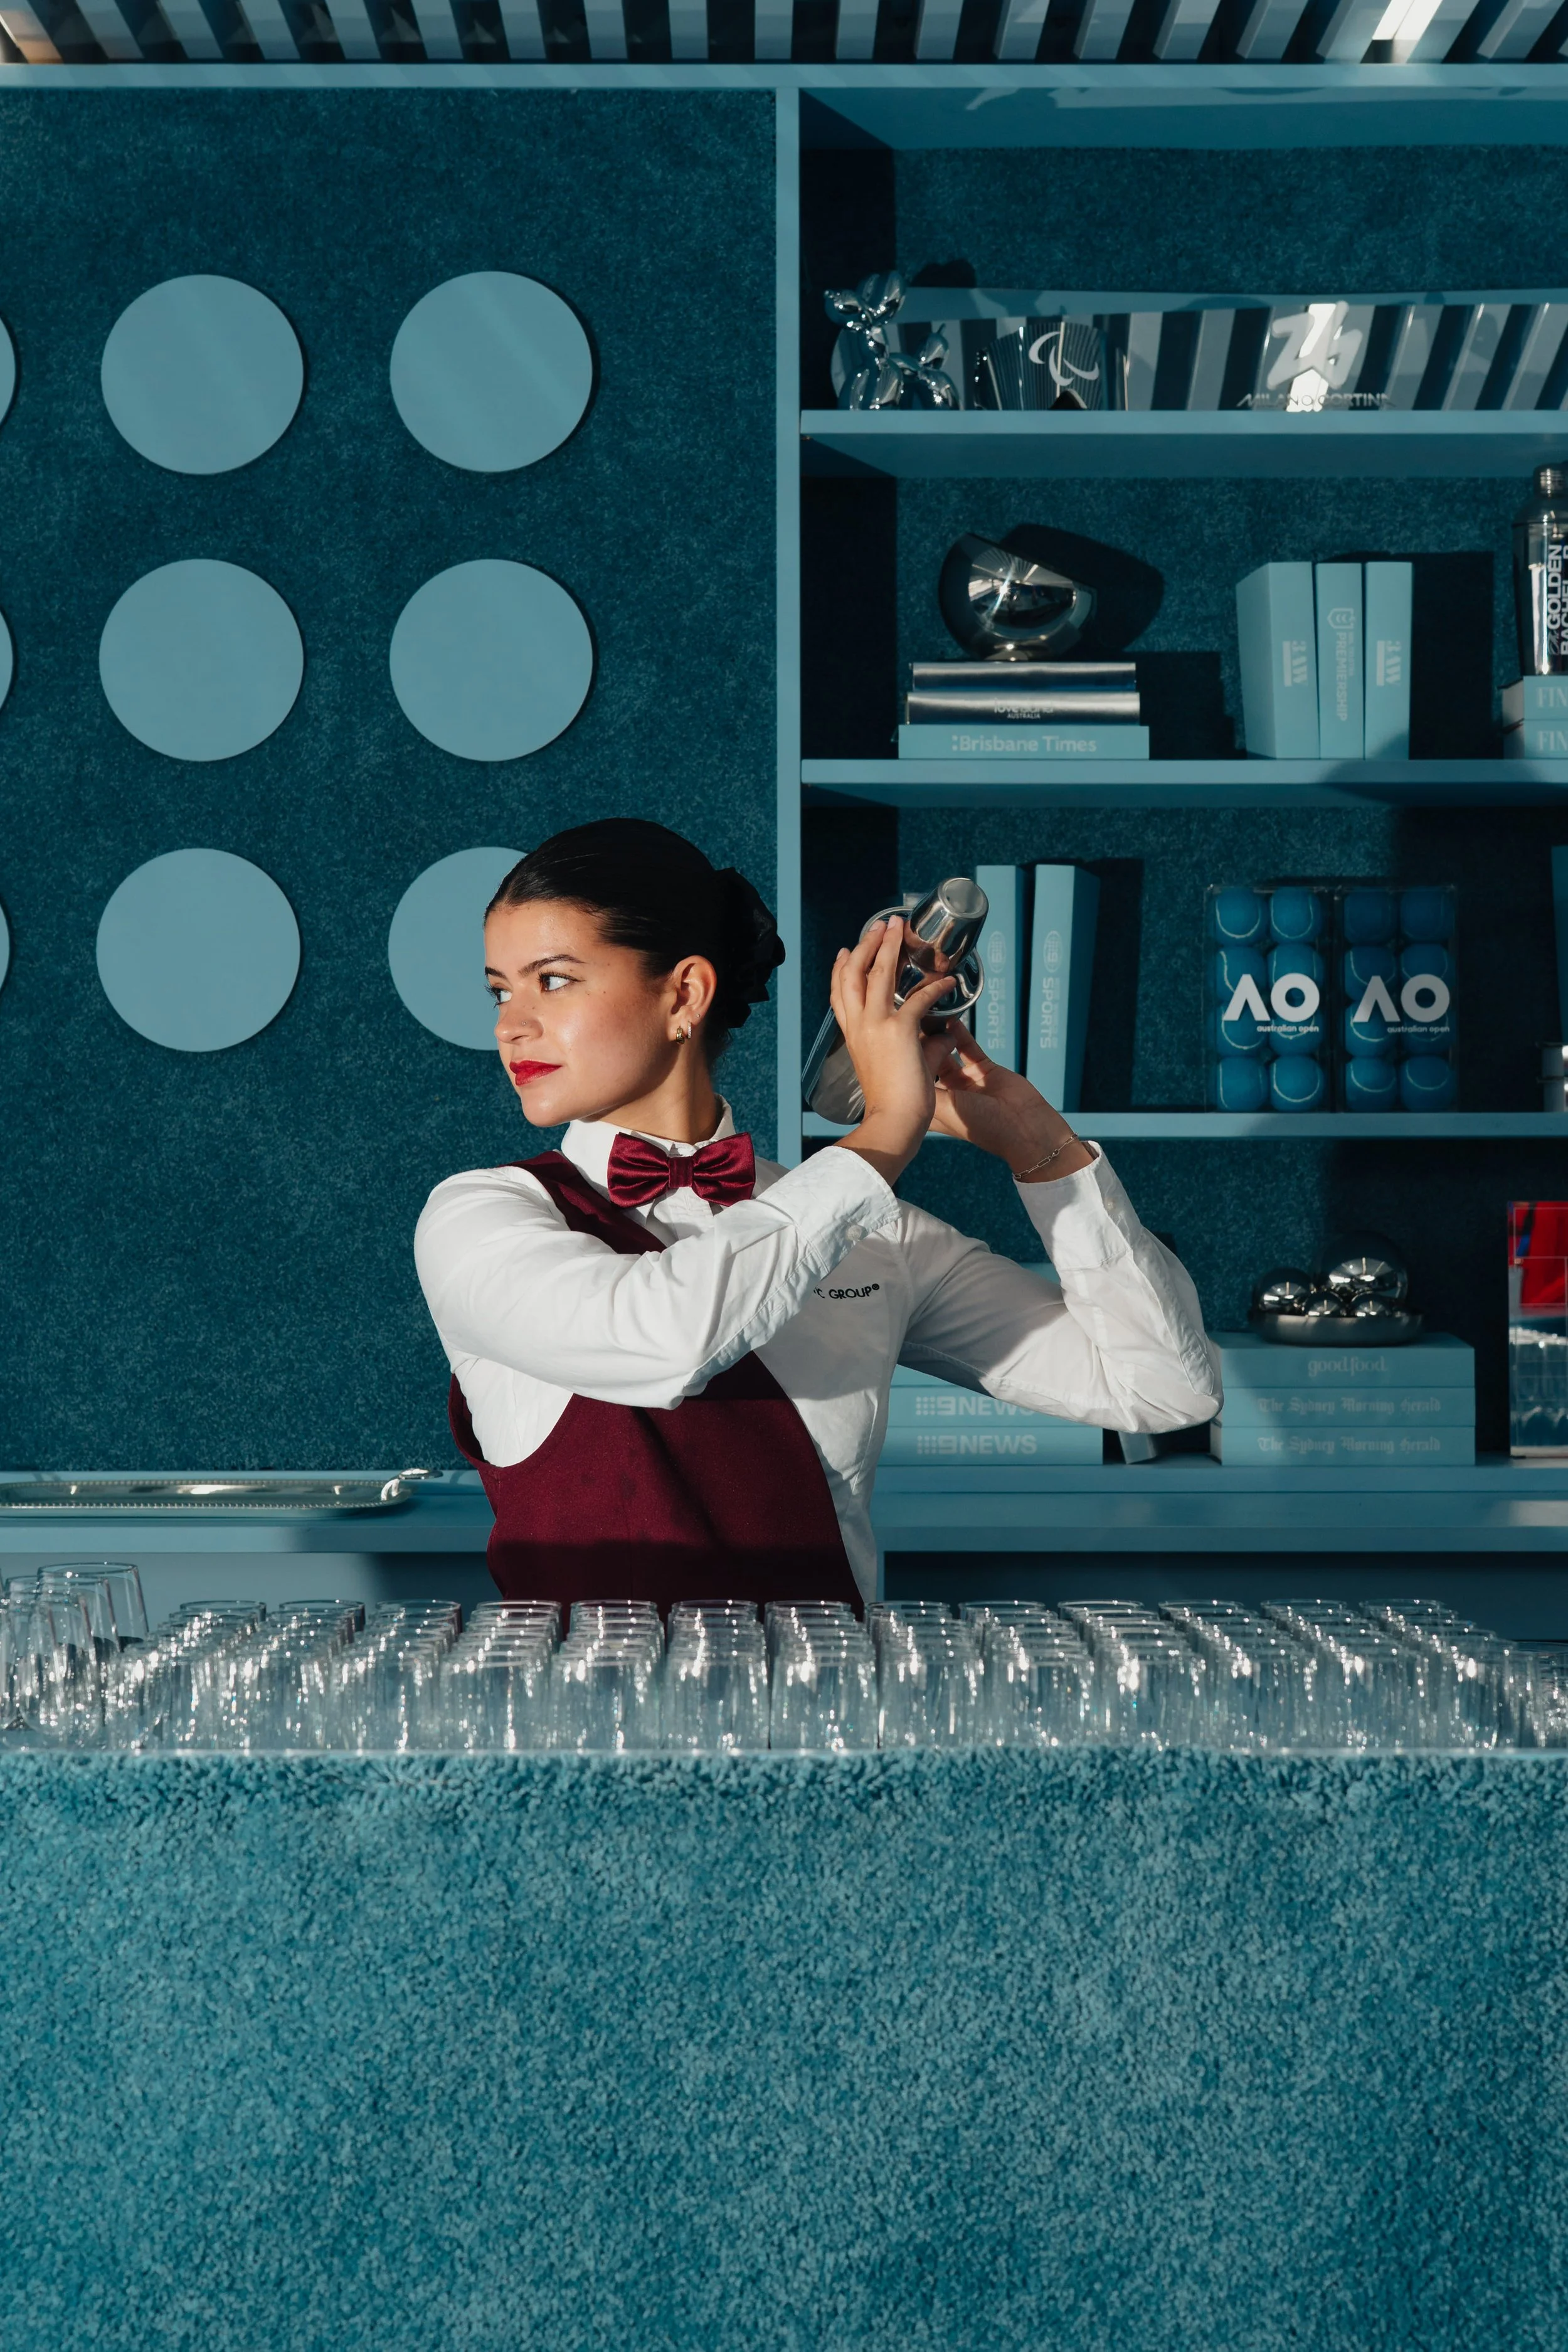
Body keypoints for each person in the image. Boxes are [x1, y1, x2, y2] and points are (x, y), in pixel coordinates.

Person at [415, 818, 1220, 1609]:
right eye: (500, 989)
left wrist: (1042, 1149)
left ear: (685, 994)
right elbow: (666, 1338)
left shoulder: (874, 1232)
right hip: (580, 1731)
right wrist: (885, 1133)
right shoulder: (480, 1217)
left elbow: (1162, 1392)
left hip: (823, 1719)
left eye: (551, 981)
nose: (509, 1025)